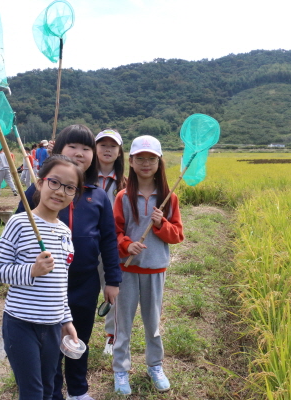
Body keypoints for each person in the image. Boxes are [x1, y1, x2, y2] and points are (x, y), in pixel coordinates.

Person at [16, 125, 122, 400]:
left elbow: (109, 241)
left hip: (84, 283)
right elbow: (17, 233)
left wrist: (112, 280)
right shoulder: (37, 191)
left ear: (93, 156)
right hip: (46, 286)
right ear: (59, 151)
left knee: (79, 339)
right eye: (72, 147)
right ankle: (53, 392)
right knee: (49, 342)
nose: (80, 153)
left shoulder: (97, 196)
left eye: (86, 148)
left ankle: (78, 390)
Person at [0, 155, 84, 400]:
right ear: (40, 183)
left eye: (69, 187)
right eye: (54, 182)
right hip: (21, 324)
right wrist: (31, 271)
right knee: (31, 392)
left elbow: (60, 283)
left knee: (48, 387)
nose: (60, 192)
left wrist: (66, 320)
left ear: (75, 194)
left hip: (53, 326)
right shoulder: (20, 223)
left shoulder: (65, 232)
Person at [111, 135, 184, 395]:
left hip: (155, 269)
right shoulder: (122, 197)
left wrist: (160, 225)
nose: (145, 163)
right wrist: (126, 245)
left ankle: (155, 365)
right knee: (123, 323)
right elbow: (115, 232)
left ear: (159, 161)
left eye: (151, 158)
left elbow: (177, 235)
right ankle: (121, 369)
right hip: (127, 270)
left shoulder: (168, 198)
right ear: (130, 161)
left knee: (153, 323)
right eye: (140, 158)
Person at [94, 129, 126, 356]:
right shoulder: (81, 177)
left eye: (112, 146)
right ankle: (72, 332)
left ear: (119, 152)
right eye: (102, 144)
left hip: (112, 246)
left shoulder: (125, 182)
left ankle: (111, 337)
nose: (107, 149)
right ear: (94, 149)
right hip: (84, 245)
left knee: (113, 291)